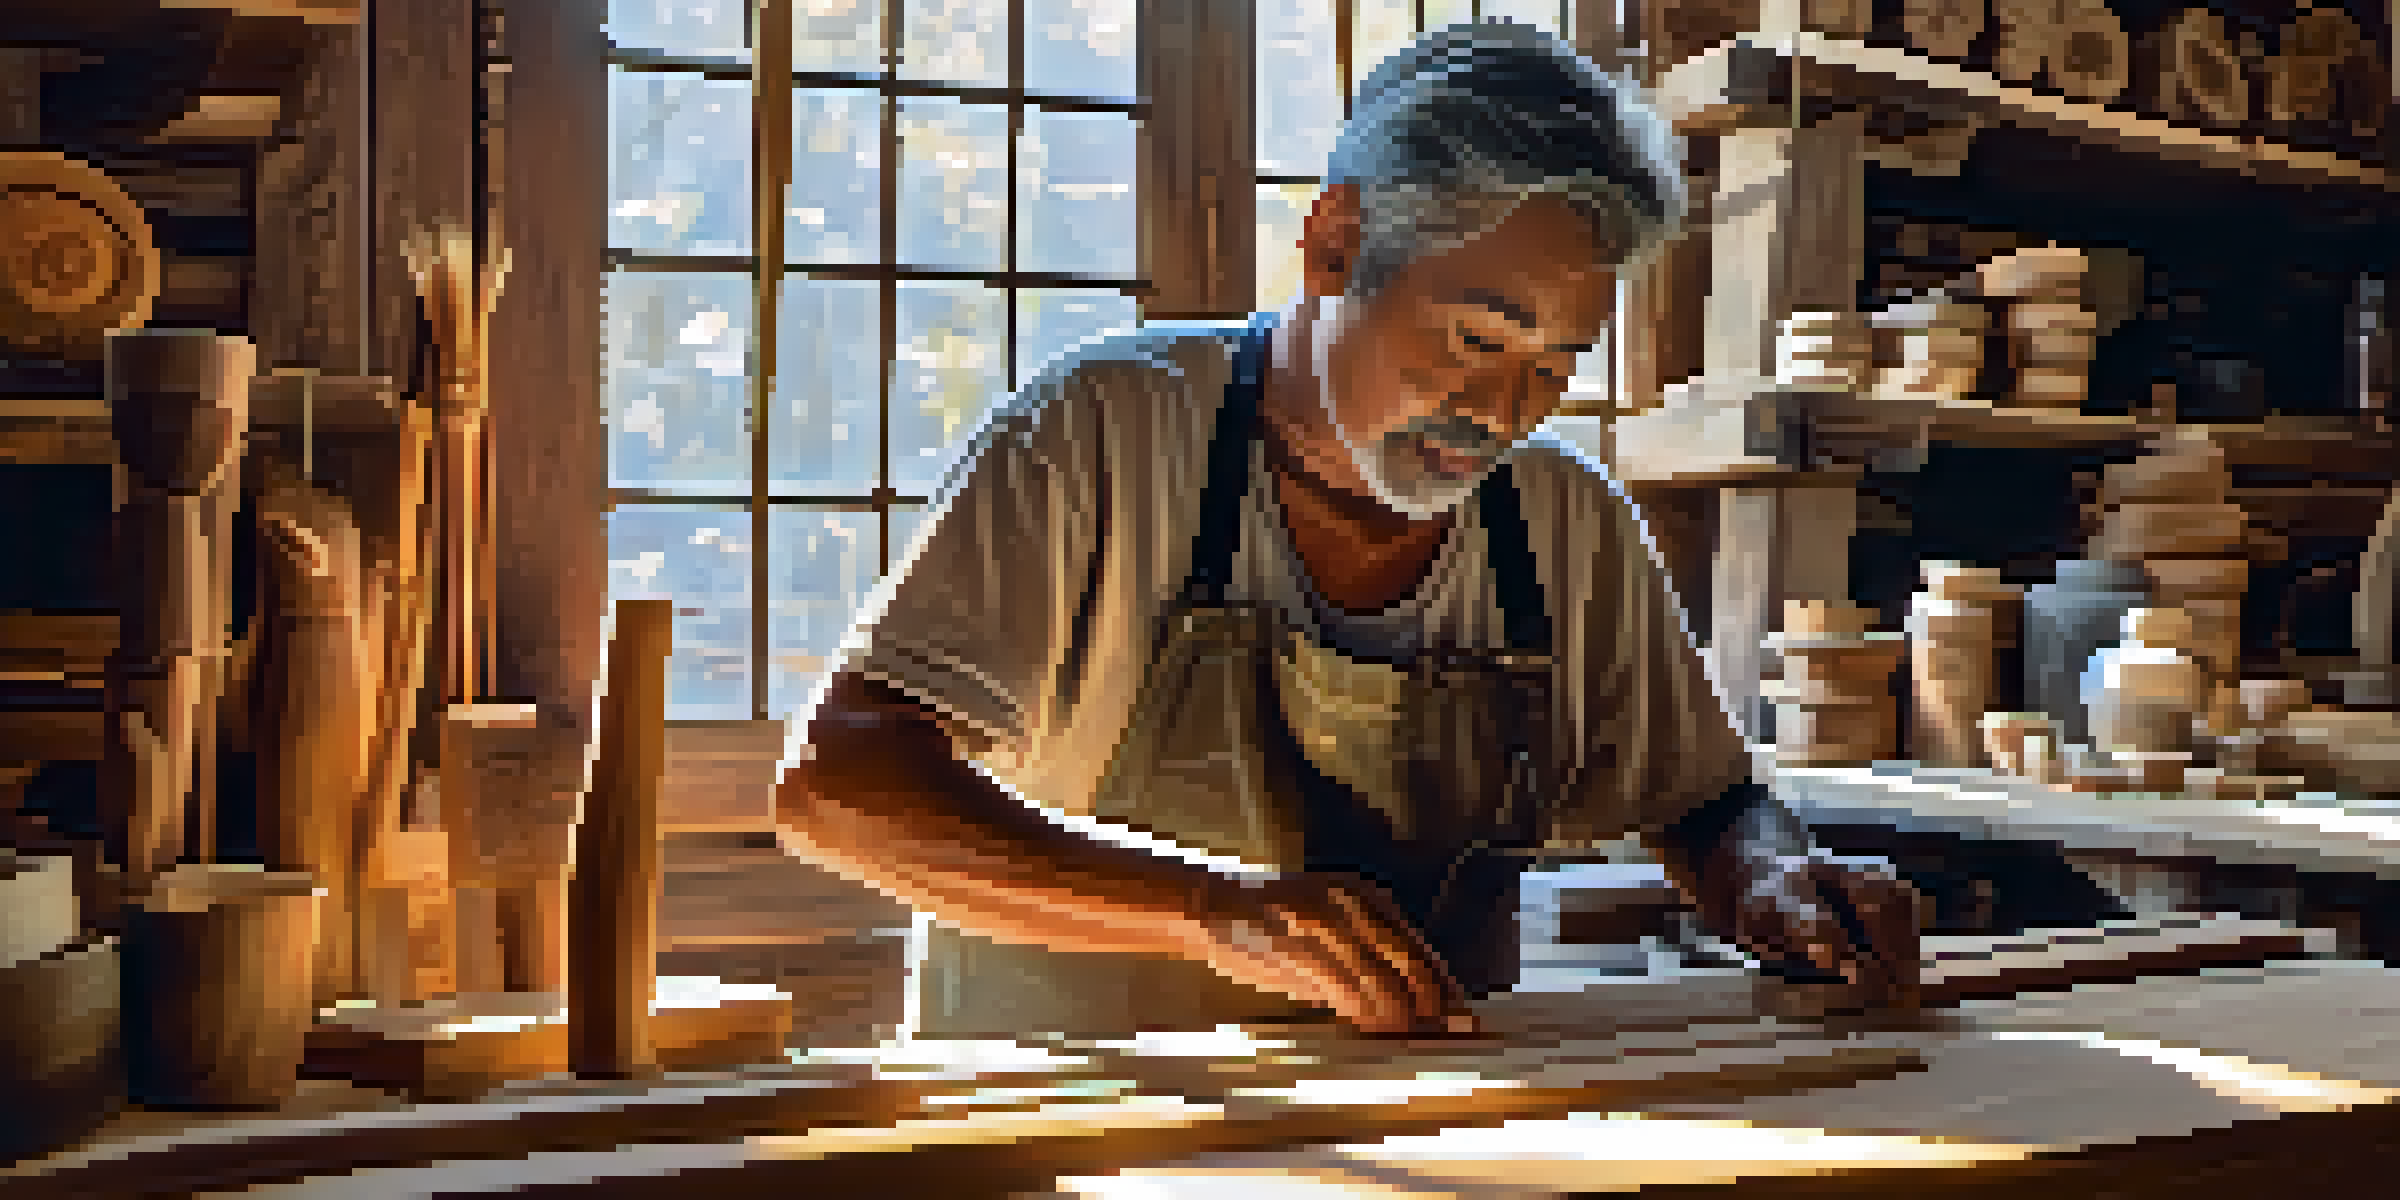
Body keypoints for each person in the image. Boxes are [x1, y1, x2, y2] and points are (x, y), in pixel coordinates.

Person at [775, 20, 1924, 1039]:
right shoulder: (1101, 434)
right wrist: (1213, 912)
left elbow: (1706, 803)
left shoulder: (1563, 521)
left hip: (1430, 1118)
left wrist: (1772, 877)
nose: (1502, 413)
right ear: (1334, 247)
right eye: (1478, 337)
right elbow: (836, 788)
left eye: (1553, 368)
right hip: (1079, 1118)